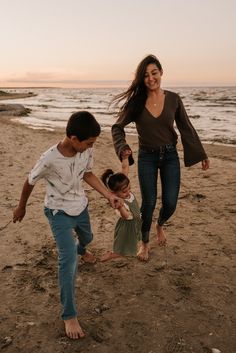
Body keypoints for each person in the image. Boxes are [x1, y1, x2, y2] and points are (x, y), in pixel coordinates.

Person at [13, 111, 122, 340]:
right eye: (89, 143)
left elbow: (88, 174)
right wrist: (21, 207)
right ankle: (69, 315)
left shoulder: (86, 150)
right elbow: (29, 181)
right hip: (58, 211)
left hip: (80, 207)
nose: (92, 146)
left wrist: (108, 196)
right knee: (68, 258)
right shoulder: (49, 159)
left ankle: (83, 249)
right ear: (73, 138)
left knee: (88, 239)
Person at [111, 54, 210, 262]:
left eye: (154, 73)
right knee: (148, 203)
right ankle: (145, 243)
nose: (150, 78)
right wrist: (123, 148)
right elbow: (117, 127)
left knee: (171, 202)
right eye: (145, 75)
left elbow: (186, 127)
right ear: (141, 78)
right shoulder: (136, 103)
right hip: (147, 156)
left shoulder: (173, 99)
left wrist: (201, 153)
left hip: (170, 156)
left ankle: (160, 224)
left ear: (161, 73)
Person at [100, 150, 141, 261]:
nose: (128, 192)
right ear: (114, 193)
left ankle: (116, 252)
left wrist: (125, 158)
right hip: (127, 226)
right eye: (124, 191)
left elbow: (125, 169)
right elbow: (126, 216)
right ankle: (112, 254)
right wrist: (121, 207)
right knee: (123, 247)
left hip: (134, 222)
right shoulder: (119, 202)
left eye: (129, 188)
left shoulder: (122, 185)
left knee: (130, 244)